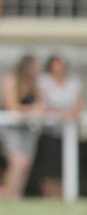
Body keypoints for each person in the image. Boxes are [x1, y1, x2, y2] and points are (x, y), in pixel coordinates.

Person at [0, 54, 43, 201]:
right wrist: (31, 109)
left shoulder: (35, 83)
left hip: (27, 129)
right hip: (9, 128)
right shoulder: (10, 80)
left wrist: (32, 109)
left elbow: (42, 105)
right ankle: (8, 196)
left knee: (26, 164)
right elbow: (11, 107)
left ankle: (16, 197)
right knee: (18, 163)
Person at [36, 55, 83, 198]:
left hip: (69, 132)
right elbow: (42, 105)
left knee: (67, 167)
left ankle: (64, 196)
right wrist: (61, 113)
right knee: (49, 168)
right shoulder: (44, 81)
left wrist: (70, 114)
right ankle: (50, 197)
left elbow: (79, 105)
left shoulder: (73, 82)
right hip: (49, 132)